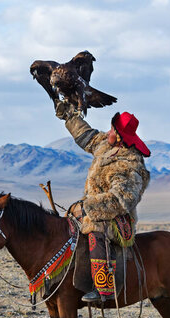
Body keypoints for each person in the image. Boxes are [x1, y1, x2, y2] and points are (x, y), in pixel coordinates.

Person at [56, 102, 151, 302]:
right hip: (94, 207)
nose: (108, 131)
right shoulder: (107, 146)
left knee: (95, 231)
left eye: (112, 129)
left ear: (119, 136)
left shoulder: (129, 164)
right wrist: (69, 117)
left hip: (117, 218)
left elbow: (121, 199)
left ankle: (104, 288)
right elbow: (87, 136)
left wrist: (89, 206)